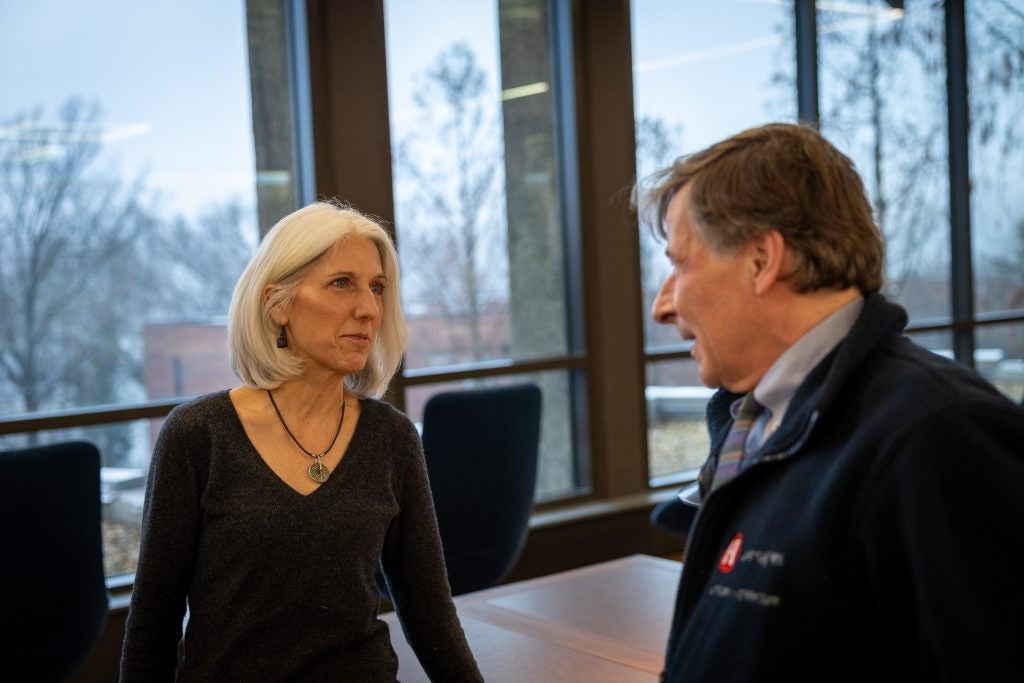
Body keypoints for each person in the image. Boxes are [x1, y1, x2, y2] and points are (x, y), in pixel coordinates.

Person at [638, 123, 1024, 682]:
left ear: (762, 260)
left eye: (681, 263)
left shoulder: (941, 433)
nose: (663, 305)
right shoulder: (759, 419)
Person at [120, 201, 483, 681]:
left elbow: (428, 609)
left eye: (377, 288)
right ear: (278, 303)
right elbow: (153, 620)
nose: (369, 308)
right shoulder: (198, 434)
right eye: (341, 283)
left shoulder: (391, 436)